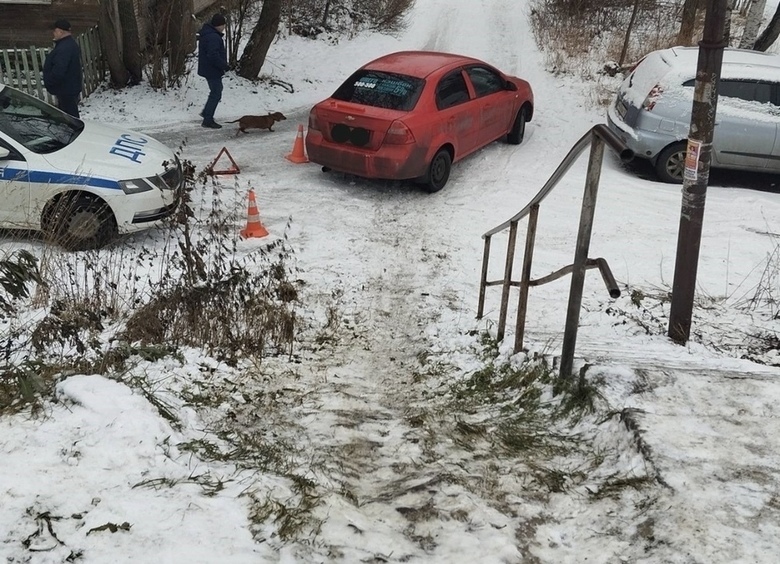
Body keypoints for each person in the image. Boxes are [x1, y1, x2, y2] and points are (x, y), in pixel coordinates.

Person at [42, 19, 83, 118]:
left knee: (70, 118)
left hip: (66, 90)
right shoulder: (69, 44)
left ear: (61, 32)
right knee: (67, 116)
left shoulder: (64, 48)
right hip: (68, 88)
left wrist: (50, 82)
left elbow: (59, 70)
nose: (53, 33)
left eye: (55, 31)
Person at [197, 13, 228, 129]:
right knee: (216, 93)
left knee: (215, 91)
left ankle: (206, 112)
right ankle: (208, 119)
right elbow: (213, 55)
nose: (224, 27)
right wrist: (224, 65)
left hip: (208, 68)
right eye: (223, 25)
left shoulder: (208, 34)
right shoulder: (213, 37)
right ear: (218, 25)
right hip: (212, 69)